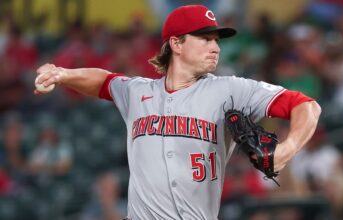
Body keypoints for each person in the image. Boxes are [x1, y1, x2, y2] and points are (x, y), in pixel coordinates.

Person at [34, 5, 321, 220]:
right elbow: (104, 81)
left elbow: (307, 105)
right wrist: (62, 73)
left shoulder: (231, 89)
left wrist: (286, 150)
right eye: (205, 39)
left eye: (217, 40)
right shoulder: (137, 92)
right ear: (176, 43)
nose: (216, 47)